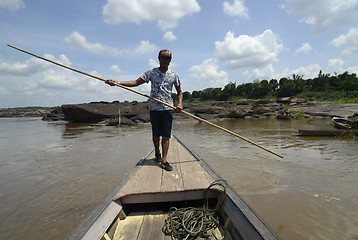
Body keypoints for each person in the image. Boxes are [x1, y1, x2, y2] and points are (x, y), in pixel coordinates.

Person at [105, 49, 183, 171]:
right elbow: (136, 82)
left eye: (168, 58)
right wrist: (117, 82)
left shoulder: (174, 75)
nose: (165, 60)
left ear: (170, 60)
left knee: (166, 135)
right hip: (154, 108)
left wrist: (180, 104)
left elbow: (179, 92)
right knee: (156, 134)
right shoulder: (151, 72)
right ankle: (157, 152)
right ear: (159, 58)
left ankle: (164, 160)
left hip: (168, 108)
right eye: (163, 57)